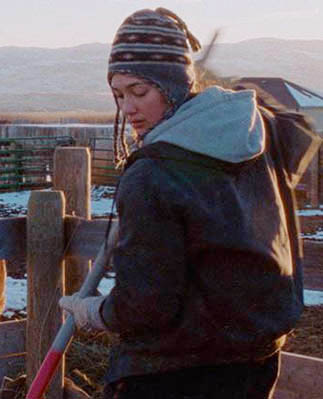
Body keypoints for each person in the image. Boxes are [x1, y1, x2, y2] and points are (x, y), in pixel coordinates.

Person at [59, 7, 321, 399]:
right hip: (254, 360)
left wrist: (93, 312)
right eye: (118, 94)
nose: (127, 108)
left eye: (139, 91)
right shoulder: (256, 132)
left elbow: (144, 307)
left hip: (171, 372)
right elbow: (300, 133)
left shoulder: (152, 175)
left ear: (175, 85)